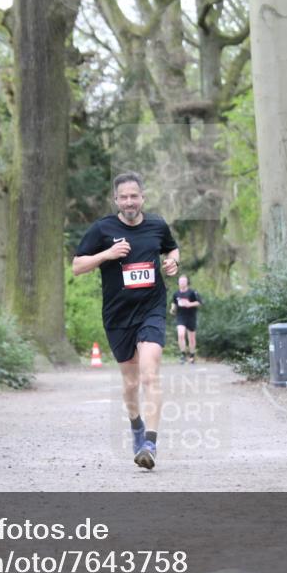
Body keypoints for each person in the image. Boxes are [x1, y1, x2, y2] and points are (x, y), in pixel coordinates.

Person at [72, 172, 179, 470]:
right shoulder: (102, 229)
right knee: (131, 382)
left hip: (151, 309)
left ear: (142, 197)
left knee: (149, 375)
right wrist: (107, 253)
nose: (129, 201)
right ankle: (136, 427)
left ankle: (150, 444)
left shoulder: (157, 225)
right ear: (116, 200)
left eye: (134, 196)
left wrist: (173, 261)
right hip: (118, 316)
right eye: (124, 197)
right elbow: (77, 266)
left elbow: (171, 247)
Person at [170, 275, 201, 364]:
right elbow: (174, 304)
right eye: (180, 281)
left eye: (184, 281)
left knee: (191, 338)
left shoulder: (192, 292)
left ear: (187, 282)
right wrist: (172, 309)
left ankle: (192, 355)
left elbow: (199, 302)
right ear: (178, 283)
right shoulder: (176, 294)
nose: (182, 283)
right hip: (181, 317)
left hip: (191, 316)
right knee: (180, 334)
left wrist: (189, 304)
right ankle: (183, 355)